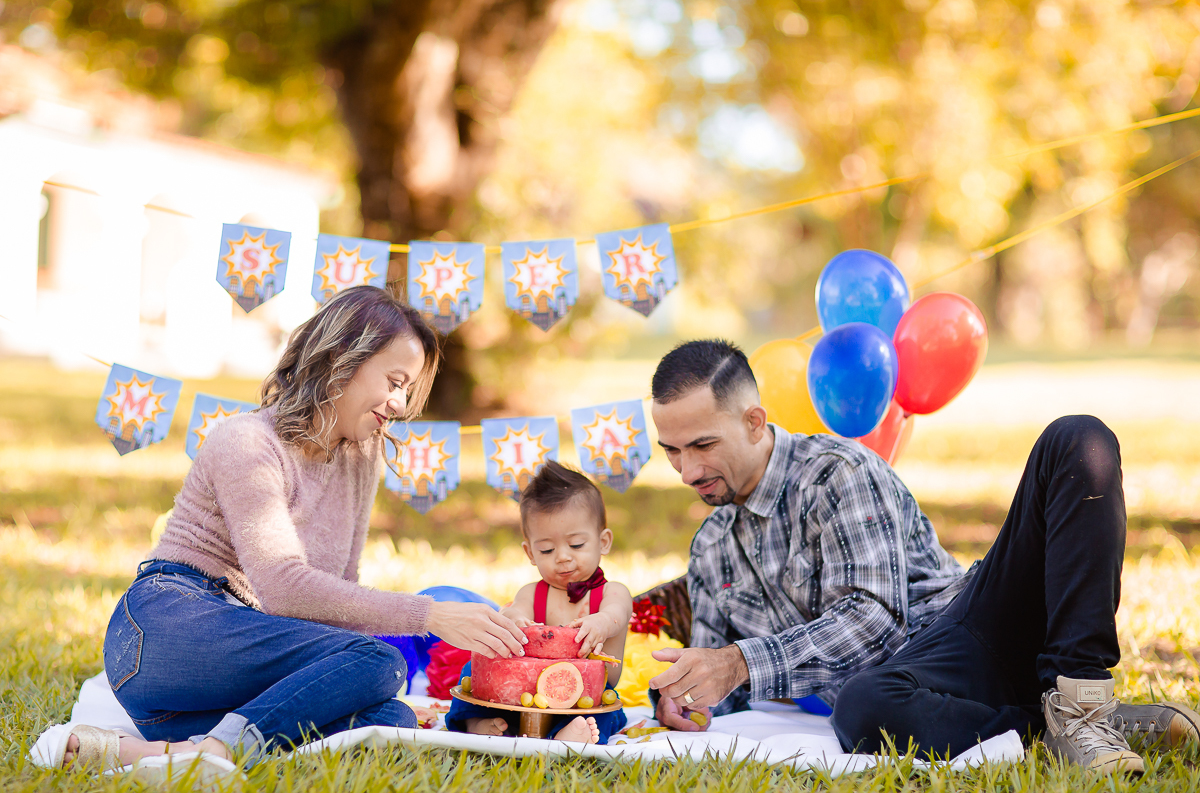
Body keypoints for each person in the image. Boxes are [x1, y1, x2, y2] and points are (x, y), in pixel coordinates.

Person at [644, 338, 1200, 775]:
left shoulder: (838, 473)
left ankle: (1084, 704)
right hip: (905, 696)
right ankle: (1067, 728)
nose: (687, 471)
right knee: (864, 709)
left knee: (1078, 439)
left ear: (753, 421)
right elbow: (720, 673)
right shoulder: (711, 546)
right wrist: (682, 697)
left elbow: (876, 623)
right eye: (671, 450)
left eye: (702, 446)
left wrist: (738, 663)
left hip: (975, 633)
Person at [60, 286, 529, 772]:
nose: (398, 404)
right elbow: (283, 586)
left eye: (406, 390)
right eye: (393, 381)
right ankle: (213, 755)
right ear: (343, 359)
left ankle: (181, 751)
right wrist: (431, 615)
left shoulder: (361, 459)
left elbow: (336, 602)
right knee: (381, 663)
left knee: (391, 717)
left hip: (228, 673)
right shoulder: (246, 440)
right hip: (166, 628)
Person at [446, 461, 632, 744]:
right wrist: (515, 619)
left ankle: (568, 735)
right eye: (547, 549)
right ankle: (475, 721)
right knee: (473, 671)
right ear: (530, 552)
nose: (563, 557)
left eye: (577, 545)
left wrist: (602, 623)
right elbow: (516, 609)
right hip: (525, 689)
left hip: (584, 693)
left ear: (603, 541)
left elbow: (616, 613)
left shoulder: (612, 593)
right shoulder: (533, 592)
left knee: (607, 713)